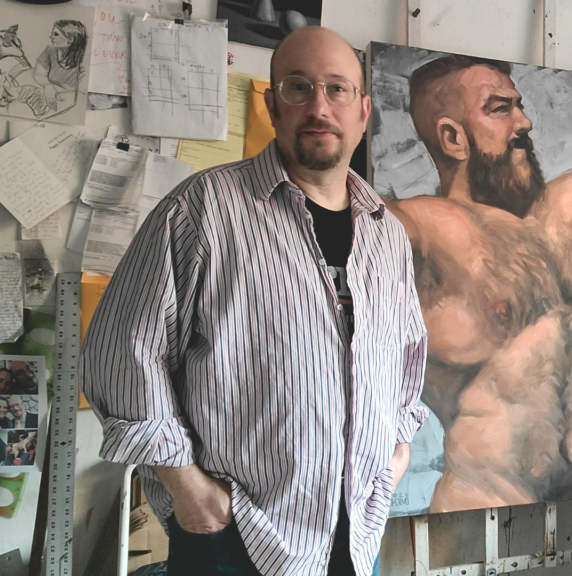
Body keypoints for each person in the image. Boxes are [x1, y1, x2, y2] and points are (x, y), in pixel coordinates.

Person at [81, 28, 426, 576]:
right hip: (237, 537)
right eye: (298, 87)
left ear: (364, 111)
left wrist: (397, 455)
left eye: (337, 89)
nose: (319, 107)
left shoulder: (387, 234)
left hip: (358, 537)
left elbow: (406, 355)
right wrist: (187, 488)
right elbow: (122, 355)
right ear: (271, 105)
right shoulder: (201, 209)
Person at [386, 54, 572, 512]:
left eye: (519, 105)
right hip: (479, 510)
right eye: (500, 109)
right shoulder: (423, 228)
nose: (525, 122)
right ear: (453, 137)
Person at [21, 20, 87, 118]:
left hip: (67, 103)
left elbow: (80, 94)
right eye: (52, 33)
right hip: (47, 95)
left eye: (56, 34)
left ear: (70, 40)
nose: (51, 37)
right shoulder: (50, 50)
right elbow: (38, 74)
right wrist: (48, 85)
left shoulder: (82, 61)